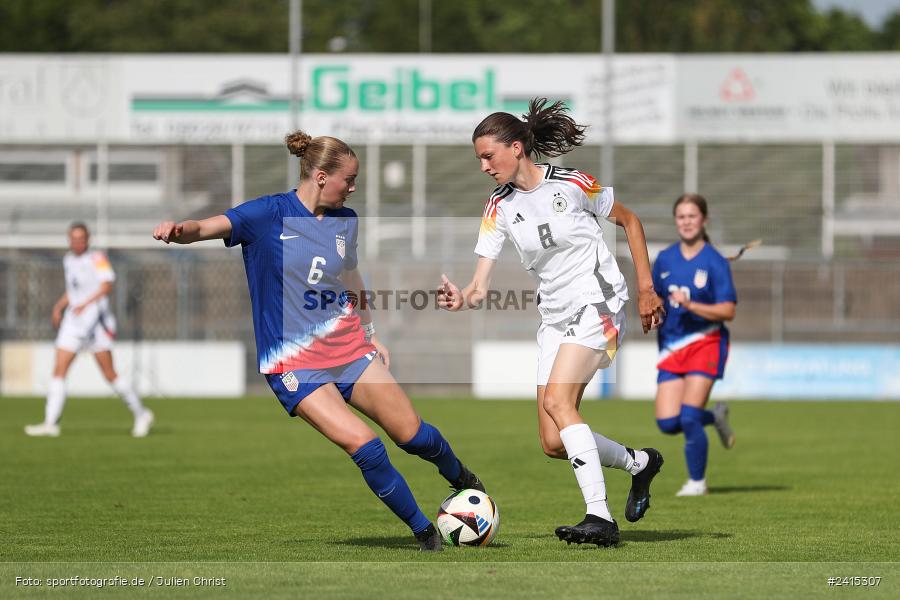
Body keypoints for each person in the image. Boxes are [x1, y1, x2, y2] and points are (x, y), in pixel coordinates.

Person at [151, 131, 484, 552]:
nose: (354, 187)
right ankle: (425, 532)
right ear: (322, 176)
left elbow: (350, 276)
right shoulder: (268, 213)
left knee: (413, 435)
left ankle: (461, 478)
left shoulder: (346, 220)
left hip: (347, 348)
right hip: (293, 363)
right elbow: (206, 226)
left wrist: (369, 331)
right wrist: (178, 230)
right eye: (350, 179)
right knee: (364, 445)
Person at [438, 98, 665, 547]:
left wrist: (645, 289)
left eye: (489, 156)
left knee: (561, 403)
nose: (484, 166)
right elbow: (480, 284)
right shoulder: (497, 207)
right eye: (479, 159)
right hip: (555, 315)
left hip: (598, 300)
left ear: (518, 147)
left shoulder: (574, 182)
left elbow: (631, 221)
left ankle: (599, 518)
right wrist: (463, 297)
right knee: (552, 439)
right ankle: (640, 463)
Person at [25, 223, 154, 438]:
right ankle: (50, 423)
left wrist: (86, 303)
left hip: (96, 325)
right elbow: (73, 290)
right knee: (59, 370)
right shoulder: (68, 260)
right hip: (73, 323)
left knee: (110, 374)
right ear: (69, 240)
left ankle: (141, 414)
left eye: (81, 238)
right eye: (74, 239)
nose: (77, 242)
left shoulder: (97, 259)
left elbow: (107, 285)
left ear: (88, 239)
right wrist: (59, 306)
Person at [652, 194, 737, 497]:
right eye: (681, 217)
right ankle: (714, 418)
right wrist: (653, 311)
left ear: (704, 220)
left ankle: (697, 482)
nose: (686, 222)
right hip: (672, 346)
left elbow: (728, 310)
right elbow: (655, 299)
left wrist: (693, 306)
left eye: (692, 216)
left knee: (688, 416)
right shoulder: (664, 259)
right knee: (668, 422)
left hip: (706, 341)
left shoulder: (714, 261)